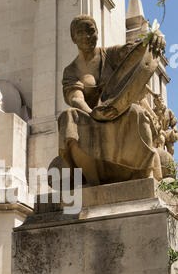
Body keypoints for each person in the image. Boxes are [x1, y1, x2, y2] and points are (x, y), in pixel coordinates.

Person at [58, 15, 166, 185]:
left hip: (118, 113)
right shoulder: (70, 70)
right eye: (81, 33)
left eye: (91, 31)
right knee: (68, 116)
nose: (87, 37)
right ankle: (93, 181)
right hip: (90, 116)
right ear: (73, 37)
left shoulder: (111, 54)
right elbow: (75, 98)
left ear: (97, 33)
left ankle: (145, 173)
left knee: (137, 112)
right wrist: (94, 114)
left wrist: (156, 34)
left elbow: (138, 50)